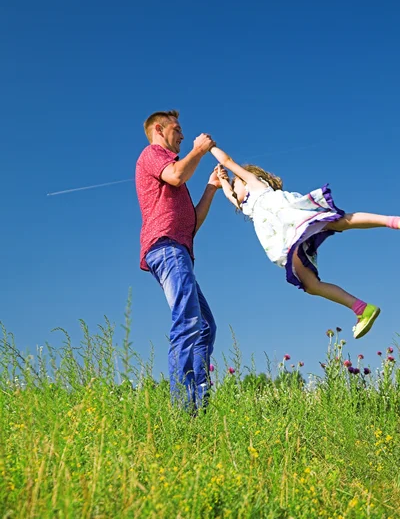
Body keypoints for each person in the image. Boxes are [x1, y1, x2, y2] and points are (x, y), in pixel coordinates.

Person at [210, 145, 400, 339]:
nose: (234, 188)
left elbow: (228, 161)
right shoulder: (248, 208)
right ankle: (362, 309)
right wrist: (222, 181)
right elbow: (229, 195)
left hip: (291, 217)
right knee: (311, 286)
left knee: (339, 222)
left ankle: (393, 221)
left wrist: (211, 147)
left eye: (236, 183)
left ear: (246, 179)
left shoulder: (257, 186)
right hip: (286, 240)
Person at [135, 110, 223, 409]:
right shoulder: (153, 155)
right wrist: (199, 150)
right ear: (159, 129)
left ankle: (199, 405)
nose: (183, 136)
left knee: (205, 326)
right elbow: (176, 175)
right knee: (187, 321)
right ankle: (184, 410)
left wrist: (211, 187)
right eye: (177, 129)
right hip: (166, 247)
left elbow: (192, 224)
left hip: (179, 247)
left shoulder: (175, 174)